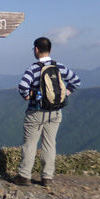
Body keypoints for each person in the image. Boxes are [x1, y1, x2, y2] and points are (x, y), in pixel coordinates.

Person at [13, 37, 80, 186]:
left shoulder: (33, 69)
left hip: (36, 112)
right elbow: (76, 80)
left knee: (30, 144)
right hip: (56, 111)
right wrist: (65, 94)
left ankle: (24, 176)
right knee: (49, 143)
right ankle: (47, 177)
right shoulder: (59, 67)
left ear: (36, 49)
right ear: (49, 49)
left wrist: (28, 96)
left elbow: (23, 86)